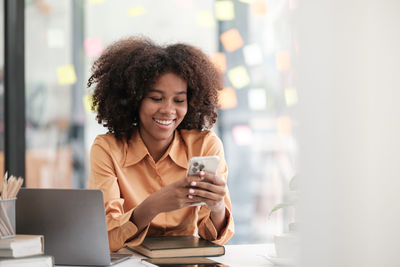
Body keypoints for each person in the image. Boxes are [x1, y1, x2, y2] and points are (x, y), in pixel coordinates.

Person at [88, 37, 234, 252]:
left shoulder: (205, 145)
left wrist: (217, 206)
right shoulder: (108, 149)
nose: (168, 110)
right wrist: (153, 205)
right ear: (134, 99)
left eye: (179, 100)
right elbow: (105, 238)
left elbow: (215, 240)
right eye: (156, 98)